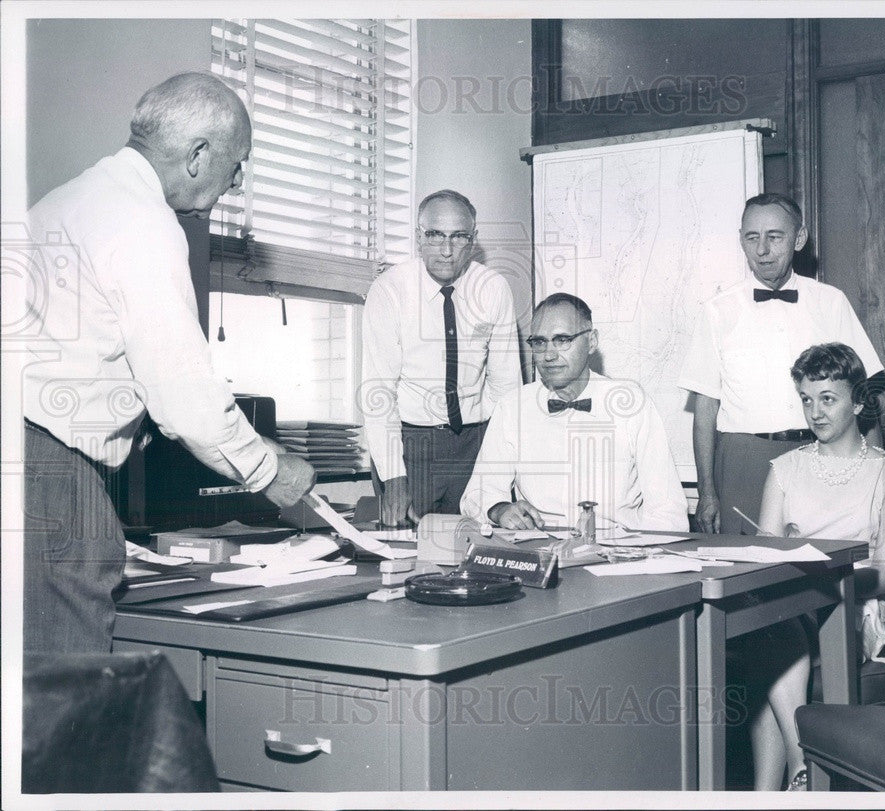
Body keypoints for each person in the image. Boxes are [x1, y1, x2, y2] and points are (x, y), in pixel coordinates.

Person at [22, 73, 316, 654]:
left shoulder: (62, 202)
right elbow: (186, 404)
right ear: (199, 154)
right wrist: (269, 469)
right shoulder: (145, 224)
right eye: (238, 163)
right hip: (49, 472)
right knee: (66, 693)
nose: (238, 180)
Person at [742, 342, 885, 790]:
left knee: (772, 647)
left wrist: (821, 578)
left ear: (857, 401)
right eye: (806, 399)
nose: (815, 412)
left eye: (828, 399)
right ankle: (800, 774)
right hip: (788, 610)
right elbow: (766, 556)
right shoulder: (783, 469)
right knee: (774, 627)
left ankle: (792, 776)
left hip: (851, 611)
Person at [678, 193, 885, 536]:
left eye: (774, 237)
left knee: (820, 571)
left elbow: (864, 399)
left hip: (822, 454)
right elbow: (705, 412)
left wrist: (877, 478)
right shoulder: (717, 311)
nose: (762, 250)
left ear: (799, 239)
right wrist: (707, 492)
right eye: (751, 237)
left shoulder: (831, 302)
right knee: (746, 574)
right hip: (743, 461)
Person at [460, 293, 689, 532]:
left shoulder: (631, 402)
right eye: (539, 342)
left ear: (591, 341)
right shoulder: (512, 407)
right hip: (539, 547)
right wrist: (499, 509)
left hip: (617, 548)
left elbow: (667, 508)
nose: (549, 355)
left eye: (562, 340)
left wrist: (643, 557)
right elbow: (476, 494)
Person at [361, 189, 521, 526]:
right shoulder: (389, 291)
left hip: (475, 444)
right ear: (418, 237)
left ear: (473, 240)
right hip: (411, 446)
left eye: (458, 236)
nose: (446, 250)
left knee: (476, 550)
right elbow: (379, 393)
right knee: (411, 553)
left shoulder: (493, 289)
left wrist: (502, 466)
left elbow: (507, 388)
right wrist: (393, 478)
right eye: (434, 235)